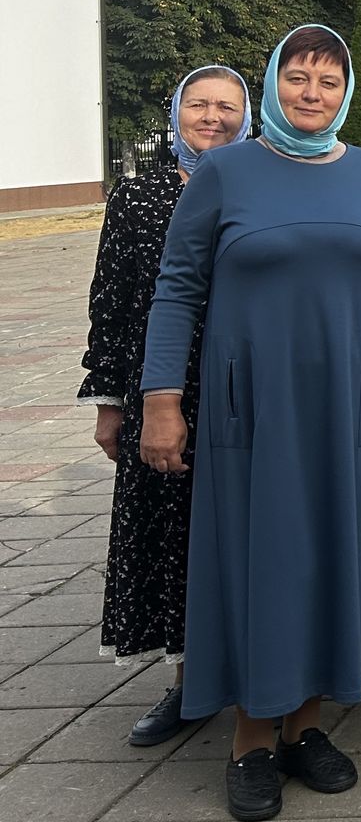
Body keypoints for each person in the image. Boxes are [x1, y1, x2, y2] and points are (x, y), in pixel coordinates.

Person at [138, 25, 361, 822]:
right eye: (299, 78)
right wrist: (159, 398)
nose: (313, 94)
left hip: (351, 405)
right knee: (262, 560)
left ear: (345, 94)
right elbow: (177, 289)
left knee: (335, 553)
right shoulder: (226, 171)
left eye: (329, 82)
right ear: (274, 83)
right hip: (255, 408)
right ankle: (250, 739)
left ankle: (307, 726)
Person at [79, 64, 250, 747]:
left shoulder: (255, 185)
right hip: (163, 390)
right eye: (200, 105)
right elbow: (114, 301)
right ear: (177, 110)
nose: (212, 117)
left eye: (227, 107)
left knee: (243, 533)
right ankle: (187, 685)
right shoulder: (141, 196)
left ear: (248, 115)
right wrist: (110, 400)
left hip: (244, 384)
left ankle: (258, 669)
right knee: (173, 535)